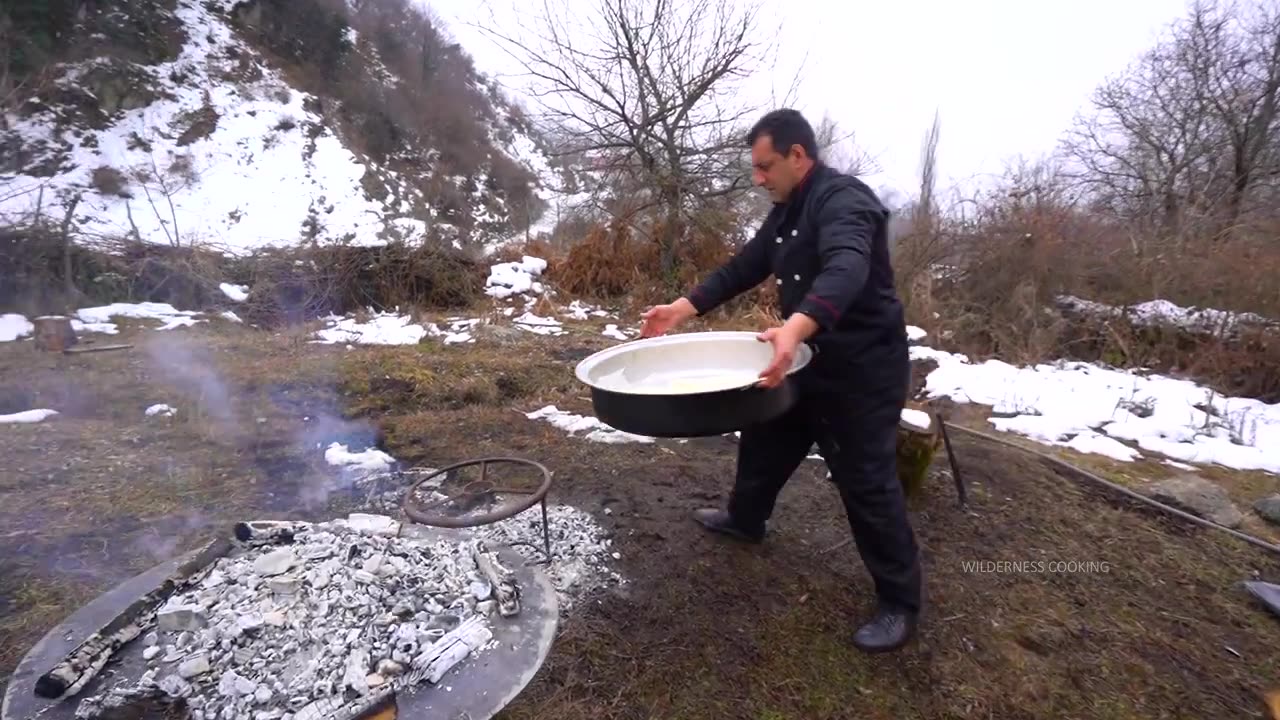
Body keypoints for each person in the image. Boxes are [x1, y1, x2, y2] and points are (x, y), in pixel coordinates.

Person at [639, 108, 923, 653]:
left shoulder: (844, 200)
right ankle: (746, 520)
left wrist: (796, 325)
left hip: (863, 370)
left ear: (798, 155)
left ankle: (900, 602)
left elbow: (847, 268)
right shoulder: (786, 211)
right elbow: (746, 265)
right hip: (804, 356)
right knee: (767, 433)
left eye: (766, 166)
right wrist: (683, 306)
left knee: (866, 481)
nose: (758, 178)